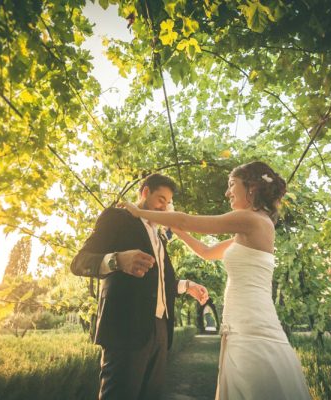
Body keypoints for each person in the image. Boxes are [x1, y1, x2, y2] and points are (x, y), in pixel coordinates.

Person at [123, 162, 312, 400]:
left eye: (232, 184)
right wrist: (174, 227)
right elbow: (205, 251)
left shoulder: (250, 220)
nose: (227, 192)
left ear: (251, 187)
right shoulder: (251, 227)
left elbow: (184, 220)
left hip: (250, 321)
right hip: (240, 321)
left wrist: (139, 213)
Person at [71, 173, 210, 400]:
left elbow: (158, 283)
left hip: (160, 332)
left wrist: (187, 286)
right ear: (145, 192)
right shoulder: (116, 218)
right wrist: (117, 260)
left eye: (168, 203)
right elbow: (79, 262)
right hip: (126, 330)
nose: (165, 208)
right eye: (161, 200)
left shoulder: (160, 236)